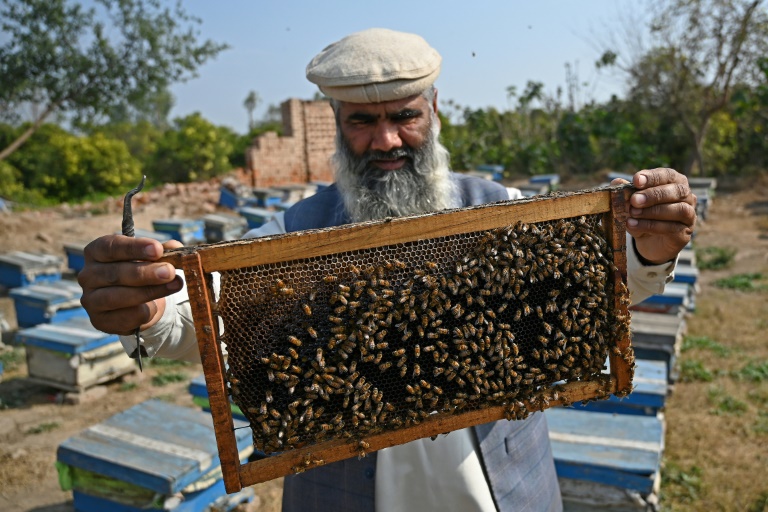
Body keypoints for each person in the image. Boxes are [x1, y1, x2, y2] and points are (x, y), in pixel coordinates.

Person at [79, 28, 697, 512]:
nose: (386, 141)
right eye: (362, 121)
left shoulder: (503, 209)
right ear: (336, 125)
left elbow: (612, 282)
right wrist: (148, 305)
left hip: (505, 493)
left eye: (404, 116)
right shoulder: (294, 234)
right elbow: (201, 312)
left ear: (434, 110)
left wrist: (649, 243)